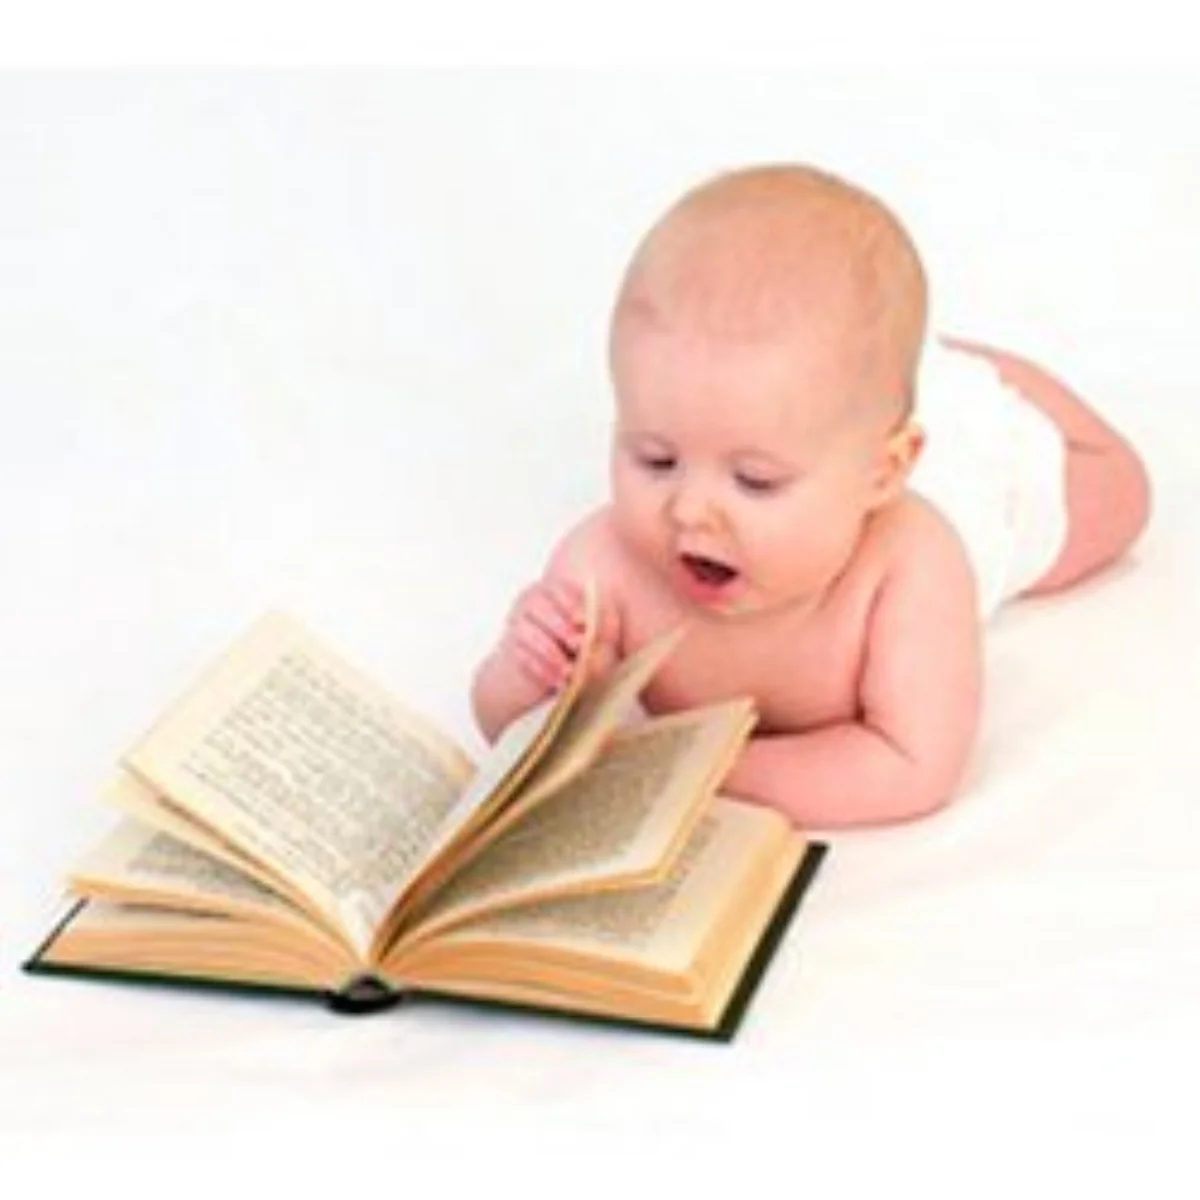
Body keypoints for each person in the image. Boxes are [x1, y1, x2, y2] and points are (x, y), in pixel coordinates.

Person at [471, 163, 1151, 827]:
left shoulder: (914, 567)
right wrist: (529, 671)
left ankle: (974, 369)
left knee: (1119, 496)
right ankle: (908, 372)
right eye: (657, 459)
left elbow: (914, 766)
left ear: (883, 473)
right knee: (844, 396)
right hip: (838, 425)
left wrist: (702, 774)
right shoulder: (606, 563)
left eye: (754, 481)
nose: (689, 510)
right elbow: (506, 726)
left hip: (972, 474)